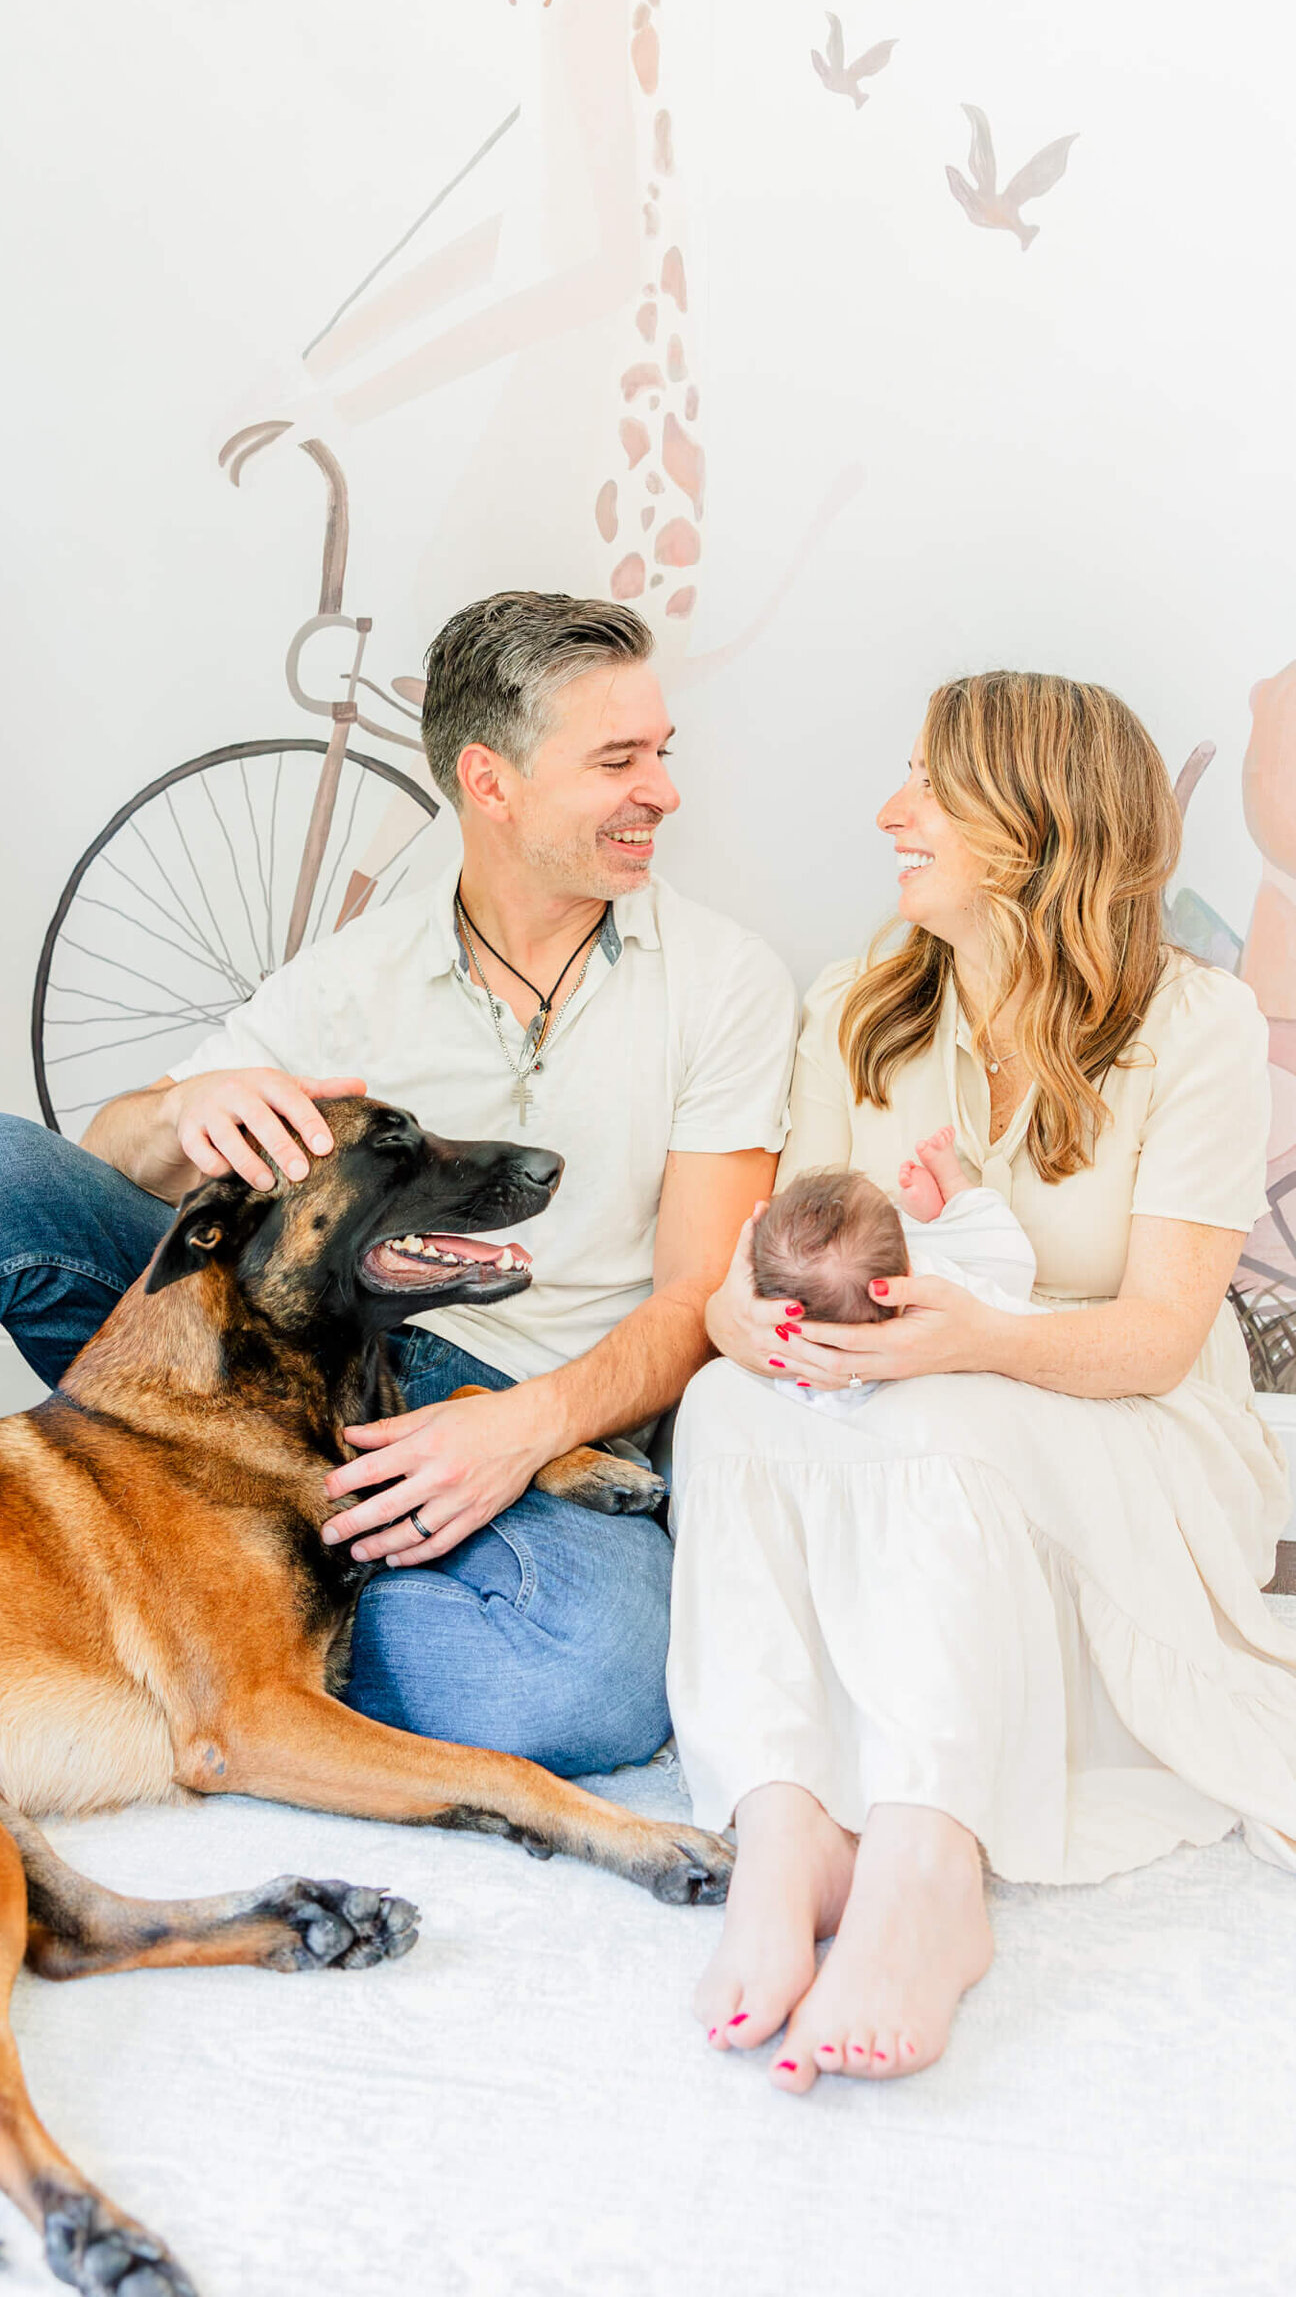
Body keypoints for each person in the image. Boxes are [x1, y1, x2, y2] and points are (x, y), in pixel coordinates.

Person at [0, 591, 796, 1781]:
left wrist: (523, 1428)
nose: (662, 792)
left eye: (660, 755)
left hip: (547, 1416)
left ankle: (185, 1653)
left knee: (589, 1682)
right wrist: (178, 1115)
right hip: (299, 1368)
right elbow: (112, 1156)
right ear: (491, 780)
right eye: (619, 760)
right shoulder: (348, 978)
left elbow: (696, 1296)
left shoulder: (725, 981)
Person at [668, 669, 1296, 2093]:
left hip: (1125, 1414)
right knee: (721, 1405)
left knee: (942, 1413)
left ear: (1037, 822)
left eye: (930, 791)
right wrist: (738, 1318)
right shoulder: (856, 1008)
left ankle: (928, 1861)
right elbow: (766, 1254)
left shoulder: (1195, 1030)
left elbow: (1155, 1335)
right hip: (901, 1381)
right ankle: (783, 1825)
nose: (893, 816)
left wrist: (971, 1339)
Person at [750, 1129, 1039, 1417]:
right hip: (977, 1288)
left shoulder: (807, 1374)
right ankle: (950, 1195)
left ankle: (928, 1219)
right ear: (908, 1274)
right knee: (1007, 1257)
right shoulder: (945, 1286)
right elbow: (1017, 1289)